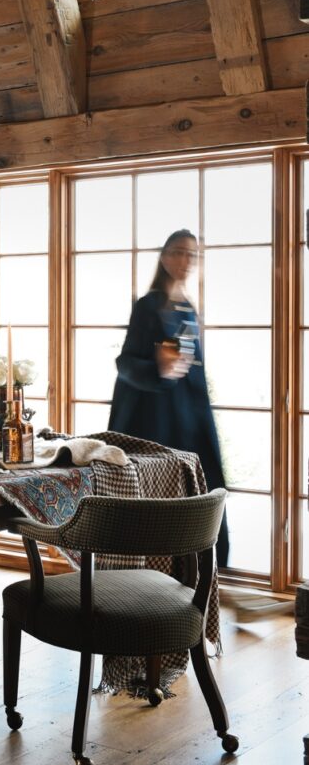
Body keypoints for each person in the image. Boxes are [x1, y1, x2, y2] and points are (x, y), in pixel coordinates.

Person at [108, 229, 229, 567]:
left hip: (190, 415)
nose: (186, 261)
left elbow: (190, 369)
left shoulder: (187, 308)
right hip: (155, 419)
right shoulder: (148, 306)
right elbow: (126, 363)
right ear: (164, 257)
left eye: (193, 255)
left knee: (201, 492)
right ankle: (152, 580)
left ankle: (199, 578)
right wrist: (158, 367)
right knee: (159, 503)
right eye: (179, 252)